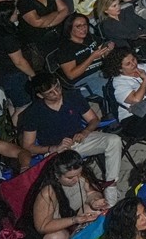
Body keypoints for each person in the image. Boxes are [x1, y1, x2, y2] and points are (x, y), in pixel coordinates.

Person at [18, 74, 124, 204]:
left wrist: (85, 131)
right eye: (50, 92)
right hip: (57, 151)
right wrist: (53, 148)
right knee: (68, 177)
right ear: (40, 96)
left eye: (57, 87)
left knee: (114, 140)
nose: (56, 92)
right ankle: (87, 199)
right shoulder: (33, 113)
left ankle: (110, 186)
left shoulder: (72, 96)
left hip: (79, 140)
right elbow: (28, 146)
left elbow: (93, 119)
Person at [26, 149, 108, 239]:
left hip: (74, 217)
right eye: (70, 177)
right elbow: (42, 226)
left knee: (97, 212)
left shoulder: (79, 174)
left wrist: (94, 200)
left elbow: (91, 192)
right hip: (52, 231)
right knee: (58, 237)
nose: (76, 179)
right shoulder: (47, 192)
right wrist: (74, 220)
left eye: (79, 174)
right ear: (57, 175)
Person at [51, 14, 112, 99]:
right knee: (113, 90)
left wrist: (107, 48)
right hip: (84, 79)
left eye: (85, 25)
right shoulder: (65, 48)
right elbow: (71, 75)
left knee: (126, 76)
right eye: (78, 26)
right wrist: (92, 57)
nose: (83, 28)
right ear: (70, 29)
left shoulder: (90, 37)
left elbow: (103, 50)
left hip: (102, 70)